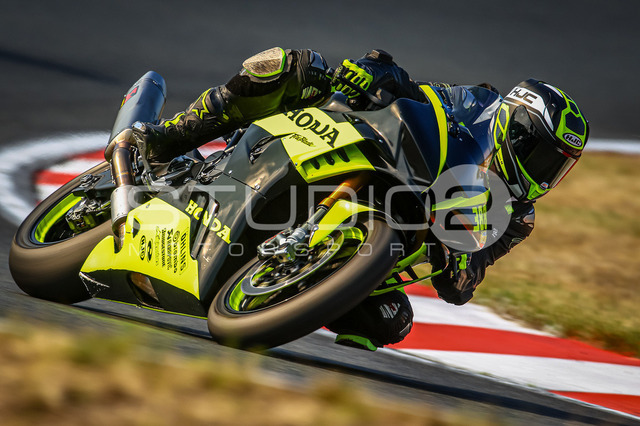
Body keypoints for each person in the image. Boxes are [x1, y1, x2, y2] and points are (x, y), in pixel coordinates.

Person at [124, 47, 589, 350]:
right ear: (517, 129)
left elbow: (467, 281)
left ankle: (290, 293)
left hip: (392, 230)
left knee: (392, 321)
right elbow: (416, 90)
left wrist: (463, 263)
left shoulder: (516, 216)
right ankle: (170, 138)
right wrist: (375, 72)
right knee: (297, 65)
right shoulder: (475, 105)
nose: (545, 173)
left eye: (558, 167)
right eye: (543, 156)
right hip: (370, 152)